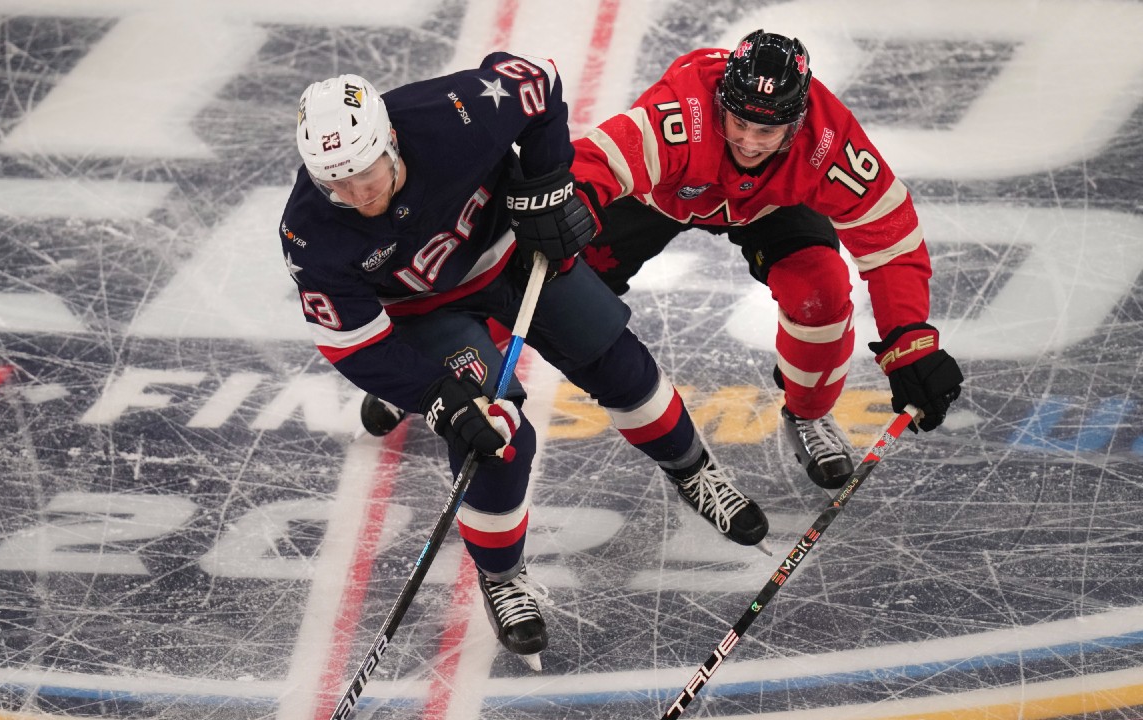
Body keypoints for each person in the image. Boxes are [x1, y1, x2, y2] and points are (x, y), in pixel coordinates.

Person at [279, 54, 768, 667]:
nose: (358, 194)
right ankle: (503, 577)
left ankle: (693, 469)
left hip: (513, 255)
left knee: (615, 361)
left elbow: (538, 82)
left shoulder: (452, 115)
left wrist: (546, 183)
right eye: (337, 185)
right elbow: (355, 343)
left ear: (391, 140)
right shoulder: (309, 230)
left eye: (367, 172)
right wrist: (436, 395)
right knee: (495, 436)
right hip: (427, 313)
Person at [570, 30, 964, 489]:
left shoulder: (828, 137)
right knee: (557, 286)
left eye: (767, 130)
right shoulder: (681, 110)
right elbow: (594, 160)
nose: (750, 143)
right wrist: (572, 204)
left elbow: (891, 239)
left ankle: (809, 414)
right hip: (660, 195)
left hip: (771, 205)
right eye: (738, 123)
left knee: (822, 288)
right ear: (720, 102)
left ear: (797, 123)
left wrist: (910, 339)